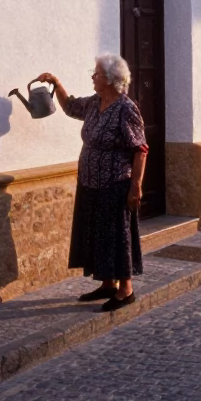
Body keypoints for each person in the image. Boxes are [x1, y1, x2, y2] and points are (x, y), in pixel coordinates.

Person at [34, 54, 148, 312]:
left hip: (115, 182)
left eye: (96, 74)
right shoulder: (96, 103)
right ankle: (107, 283)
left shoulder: (126, 108)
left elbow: (140, 149)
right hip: (90, 182)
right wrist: (56, 82)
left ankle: (126, 290)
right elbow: (70, 107)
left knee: (117, 235)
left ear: (109, 79)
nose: (93, 77)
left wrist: (136, 186)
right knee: (98, 234)